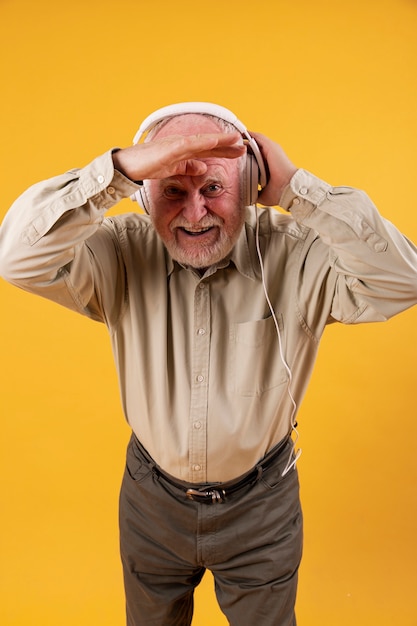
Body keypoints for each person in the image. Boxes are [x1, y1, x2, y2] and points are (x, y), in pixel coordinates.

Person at [0, 102, 416, 626]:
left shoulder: (296, 254)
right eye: (173, 189)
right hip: (151, 501)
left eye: (214, 189)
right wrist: (119, 171)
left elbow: (403, 281)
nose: (195, 213)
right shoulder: (119, 252)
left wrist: (294, 190)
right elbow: (16, 257)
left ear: (249, 185)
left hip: (262, 504)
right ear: (145, 192)